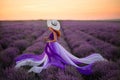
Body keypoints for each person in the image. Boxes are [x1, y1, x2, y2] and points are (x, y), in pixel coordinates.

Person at [15, 20, 107, 75]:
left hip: (53, 45)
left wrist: (48, 41)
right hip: (52, 45)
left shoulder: (54, 32)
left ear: (52, 27)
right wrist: (47, 38)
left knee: (53, 57)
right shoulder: (53, 32)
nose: (49, 27)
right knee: (49, 57)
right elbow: (52, 38)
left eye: (50, 26)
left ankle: (55, 66)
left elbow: (54, 40)